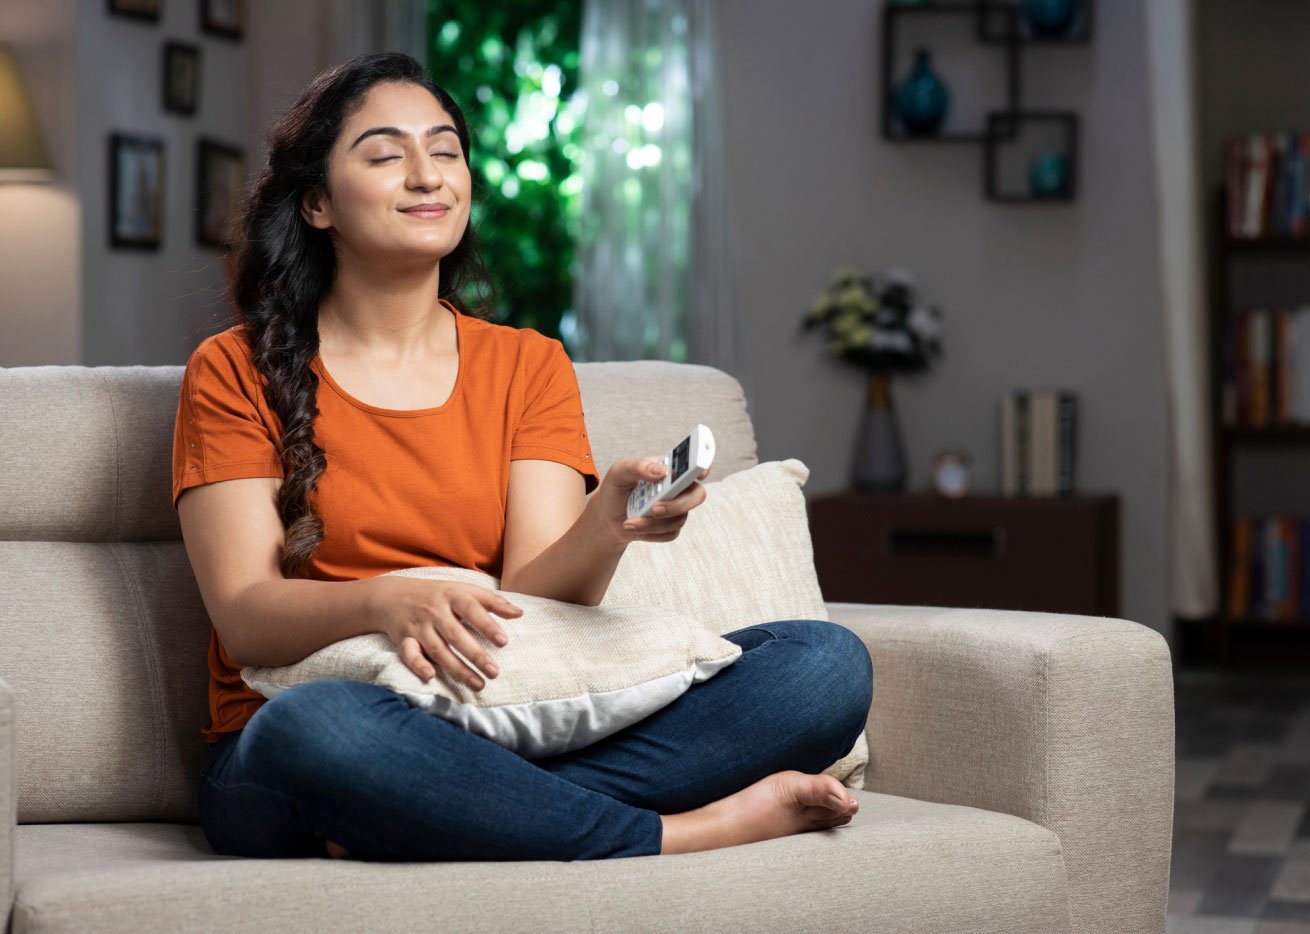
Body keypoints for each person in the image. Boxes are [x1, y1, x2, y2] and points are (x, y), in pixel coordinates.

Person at [172, 50, 873, 863]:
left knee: (823, 667)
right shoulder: (233, 368)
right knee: (320, 729)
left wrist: (606, 526)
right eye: (386, 153)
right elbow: (245, 614)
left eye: (445, 150)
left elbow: (537, 593)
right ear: (318, 202)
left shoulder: (527, 364)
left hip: (509, 724)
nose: (427, 175)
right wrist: (386, 602)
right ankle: (675, 832)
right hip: (294, 738)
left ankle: (444, 808)